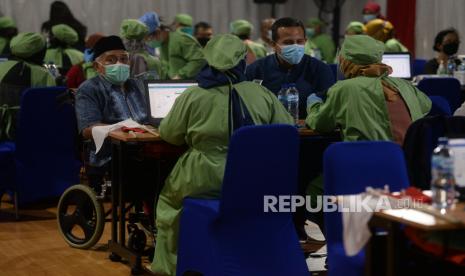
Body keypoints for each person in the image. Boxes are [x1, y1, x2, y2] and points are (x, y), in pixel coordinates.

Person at [150, 34, 293, 276]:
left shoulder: (193, 96)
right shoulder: (261, 93)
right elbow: (286, 129)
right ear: (241, 61)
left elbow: (170, 134)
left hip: (203, 178)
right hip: (253, 179)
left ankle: (174, 266)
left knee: (170, 206)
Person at [306, 35, 431, 144]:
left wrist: (313, 104)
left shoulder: (344, 88)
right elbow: (426, 105)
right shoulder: (405, 85)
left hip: (369, 163)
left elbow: (320, 124)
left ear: (346, 61)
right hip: (412, 164)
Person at [74, 35, 149, 188]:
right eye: (111, 60)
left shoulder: (137, 85)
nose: (119, 64)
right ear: (97, 66)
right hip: (111, 155)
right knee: (152, 172)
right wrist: (120, 129)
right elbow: (87, 129)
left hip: (145, 149)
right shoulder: (90, 89)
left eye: (123, 59)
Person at [246, 17, 335, 119]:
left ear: (305, 41)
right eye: (288, 42)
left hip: (308, 131)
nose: (295, 46)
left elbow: (328, 110)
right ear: (273, 45)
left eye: (299, 41)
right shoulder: (256, 70)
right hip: (268, 130)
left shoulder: (319, 69)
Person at [0, 32, 56, 140]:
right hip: (29, 134)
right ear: (40, 52)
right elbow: (50, 109)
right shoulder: (44, 75)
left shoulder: (1, 66)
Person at [140, 11, 205, 80]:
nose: (149, 41)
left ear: (158, 31)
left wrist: (181, 75)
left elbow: (199, 59)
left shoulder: (181, 39)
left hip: (190, 84)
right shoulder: (163, 45)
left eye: (149, 38)